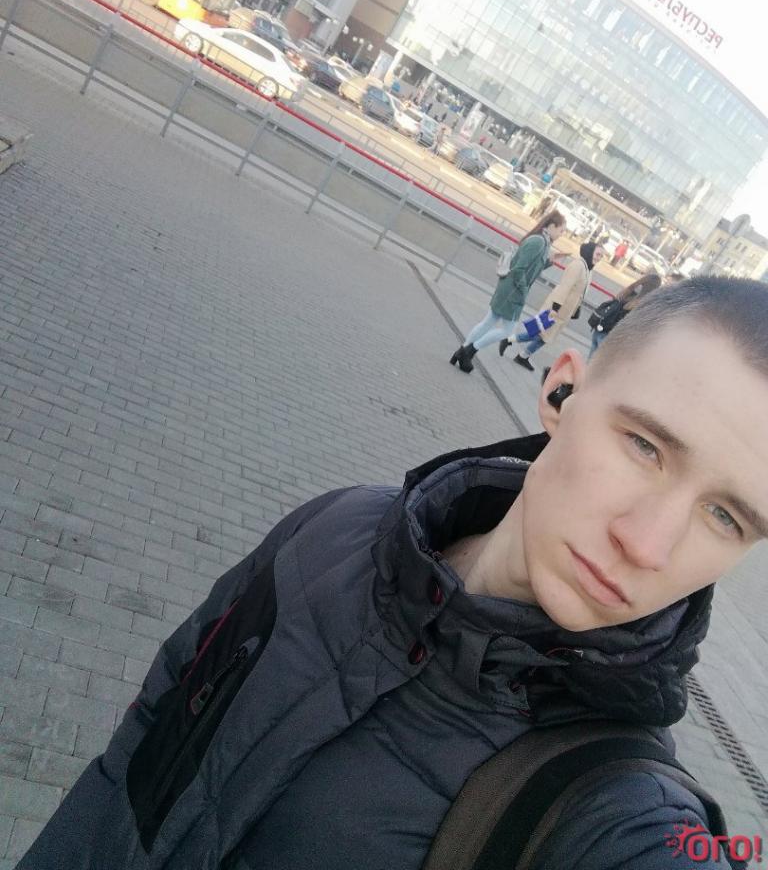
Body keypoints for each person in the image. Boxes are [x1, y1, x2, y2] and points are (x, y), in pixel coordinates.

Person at [19, 278, 768, 870]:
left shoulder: (617, 813)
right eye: (644, 446)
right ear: (560, 394)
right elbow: (157, 717)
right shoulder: (337, 528)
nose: (648, 544)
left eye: (725, 517)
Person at [450, 211, 567, 373]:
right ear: (552, 226)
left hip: (510, 289)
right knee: (507, 331)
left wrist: (550, 261)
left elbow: (532, 268)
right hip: (513, 292)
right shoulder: (538, 241)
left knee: (488, 322)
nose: (562, 235)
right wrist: (524, 291)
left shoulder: (544, 242)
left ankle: (461, 352)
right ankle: (469, 351)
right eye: (561, 230)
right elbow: (519, 269)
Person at [502, 242, 605, 370]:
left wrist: (575, 310)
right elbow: (565, 287)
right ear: (590, 252)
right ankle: (510, 341)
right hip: (557, 307)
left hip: (565, 311)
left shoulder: (588, 269)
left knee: (545, 336)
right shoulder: (578, 265)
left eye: (601, 256)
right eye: (598, 254)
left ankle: (522, 355)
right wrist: (555, 308)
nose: (599, 258)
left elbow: (580, 292)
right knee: (540, 333)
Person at [589, 272, 662, 357]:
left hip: (600, 330)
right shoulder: (642, 306)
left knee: (591, 360)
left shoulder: (627, 294)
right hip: (610, 340)